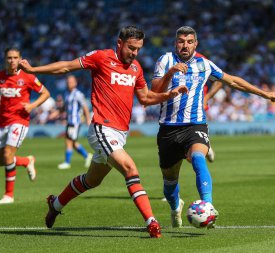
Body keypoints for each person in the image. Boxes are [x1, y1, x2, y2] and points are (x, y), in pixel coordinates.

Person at [19, 25, 188, 238]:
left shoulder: (135, 68)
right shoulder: (101, 57)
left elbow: (145, 98)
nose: (134, 53)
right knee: (130, 169)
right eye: (131, 48)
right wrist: (34, 70)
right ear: (119, 43)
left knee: (92, 180)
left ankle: (56, 204)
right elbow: (66, 67)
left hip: (120, 134)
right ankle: (152, 222)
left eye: (138, 49)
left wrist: (169, 94)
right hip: (101, 127)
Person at [151, 26, 275, 228]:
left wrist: (265, 95)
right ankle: (175, 207)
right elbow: (154, 91)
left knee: (198, 157)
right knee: (169, 184)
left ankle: (208, 206)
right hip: (168, 129)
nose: (185, 45)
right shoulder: (165, 60)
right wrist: (170, 73)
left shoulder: (205, 64)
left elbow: (233, 81)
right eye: (181, 41)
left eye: (189, 41)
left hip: (194, 125)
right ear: (175, 43)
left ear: (196, 44)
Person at [0, 47, 50, 204]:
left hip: (19, 121)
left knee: (8, 154)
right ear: (5, 59)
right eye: (9, 58)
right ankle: (26, 161)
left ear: (20, 59)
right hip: (3, 122)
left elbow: (46, 93)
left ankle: (9, 195)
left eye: (15, 57)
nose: (12, 60)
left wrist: (32, 106)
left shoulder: (27, 76)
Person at [57, 75, 92, 170]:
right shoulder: (67, 93)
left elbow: (85, 106)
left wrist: (88, 118)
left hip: (75, 122)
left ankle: (67, 162)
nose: (69, 84)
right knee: (73, 142)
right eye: (68, 82)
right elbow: (65, 107)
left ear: (75, 83)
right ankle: (87, 156)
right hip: (69, 120)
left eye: (71, 82)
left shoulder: (78, 94)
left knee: (68, 141)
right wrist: (58, 112)